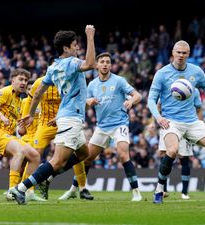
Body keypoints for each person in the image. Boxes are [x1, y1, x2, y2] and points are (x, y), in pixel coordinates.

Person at [10, 25, 96, 205]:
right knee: (56, 161)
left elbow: (38, 93)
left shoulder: (53, 67)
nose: (77, 48)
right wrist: (90, 37)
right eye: (75, 45)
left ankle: (46, 176)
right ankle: (22, 188)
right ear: (66, 48)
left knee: (83, 153)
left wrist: (32, 114)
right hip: (72, 117)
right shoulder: (72, 63)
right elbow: (89, 64)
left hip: (67, 116)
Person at [58, 52, 143, 201]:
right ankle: (73, 189)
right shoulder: (92, 85)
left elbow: (138, 95)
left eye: (108, 62)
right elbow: (83, 103)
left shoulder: (119, 81)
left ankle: (136, 192)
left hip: (119, 124)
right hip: (102, 127)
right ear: (97, 65)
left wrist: (131, 102)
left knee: (123, 155)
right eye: (102, 62)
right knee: (86, 159)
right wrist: (88, 101)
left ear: (111, 65)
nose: (105, 64)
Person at [147, 40, 205, 204]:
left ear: (189, 54)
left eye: (184, 53)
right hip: (171, 122)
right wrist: (158, 117)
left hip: (192, 122)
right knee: (173, 150)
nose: (181, 55)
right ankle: (160, 189)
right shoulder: (162, 73)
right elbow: (151, 99)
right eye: (178, 52)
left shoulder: (196, 71)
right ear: (173, 52)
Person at [21, 73, 93, 200]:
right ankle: (28, 191)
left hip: (65, 121)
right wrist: (27, 119)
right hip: (45, 124)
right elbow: (31, 100)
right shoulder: (40, 82)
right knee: (35, 154)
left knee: (79, 151)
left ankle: (82, 188)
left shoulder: (68, 82)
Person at [0, 68, 40, 201]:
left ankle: (27, 191)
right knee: (19, 152)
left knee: (34, 156)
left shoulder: (19, 102)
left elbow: (21, 131)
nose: (24, 83)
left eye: (26, 80)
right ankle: (12, 191)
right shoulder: (6, 91)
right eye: (21, 79)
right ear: (13, 80)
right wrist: (2, 116)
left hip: (7, 135)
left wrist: (22, 127)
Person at [158, 88, 203, 200]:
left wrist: (199, 126)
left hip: (187, 125)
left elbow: (198, 109)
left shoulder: (194, 90)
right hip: (169, 126)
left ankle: (184, 192)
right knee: (164, 155)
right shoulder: (168, 89)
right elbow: (158, 105)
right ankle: (163, 189)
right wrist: (160, 119)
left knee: (184, 157)